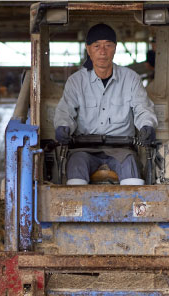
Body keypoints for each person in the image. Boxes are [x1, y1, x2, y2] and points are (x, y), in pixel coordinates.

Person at [54, 23, 157, 185]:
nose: (102, 51)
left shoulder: (131, 78)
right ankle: (76, 210)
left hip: (122, 149)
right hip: (83, 148)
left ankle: (131, 209)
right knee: (75, 177)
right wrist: (62, 127)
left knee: (134, 179)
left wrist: (147, 126)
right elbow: (65, 111)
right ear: (88, 50)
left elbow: (142, 108)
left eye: (108, 45)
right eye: (97, 46)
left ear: (115, 48)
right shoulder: (76, 81)